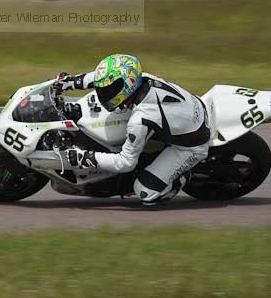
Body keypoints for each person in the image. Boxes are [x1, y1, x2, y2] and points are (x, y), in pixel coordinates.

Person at [55, 53, 210, 207]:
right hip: (192, 111)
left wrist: (85, 157)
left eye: (109, 90)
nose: (103, 94)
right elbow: (100, 80)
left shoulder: (141, 119)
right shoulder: (141, 78)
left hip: (191, 147)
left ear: (127, 85)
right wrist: (70, 82)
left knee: (145, 193)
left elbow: (126, 162)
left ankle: (182, 177)